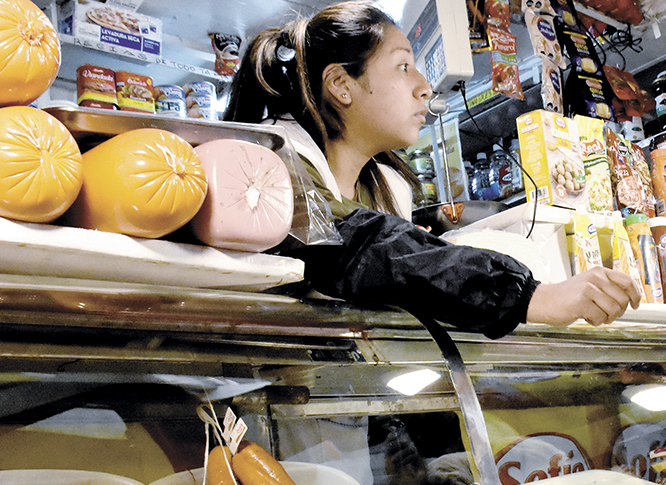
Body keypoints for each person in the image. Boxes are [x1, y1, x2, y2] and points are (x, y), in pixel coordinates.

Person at [224, 0, 640, 339]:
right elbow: (350, 248)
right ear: (341, 85)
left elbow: (396, 274)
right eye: (404, 66)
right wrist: (530, 297)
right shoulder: (271, 158)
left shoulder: (384, 186)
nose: (424, 86)